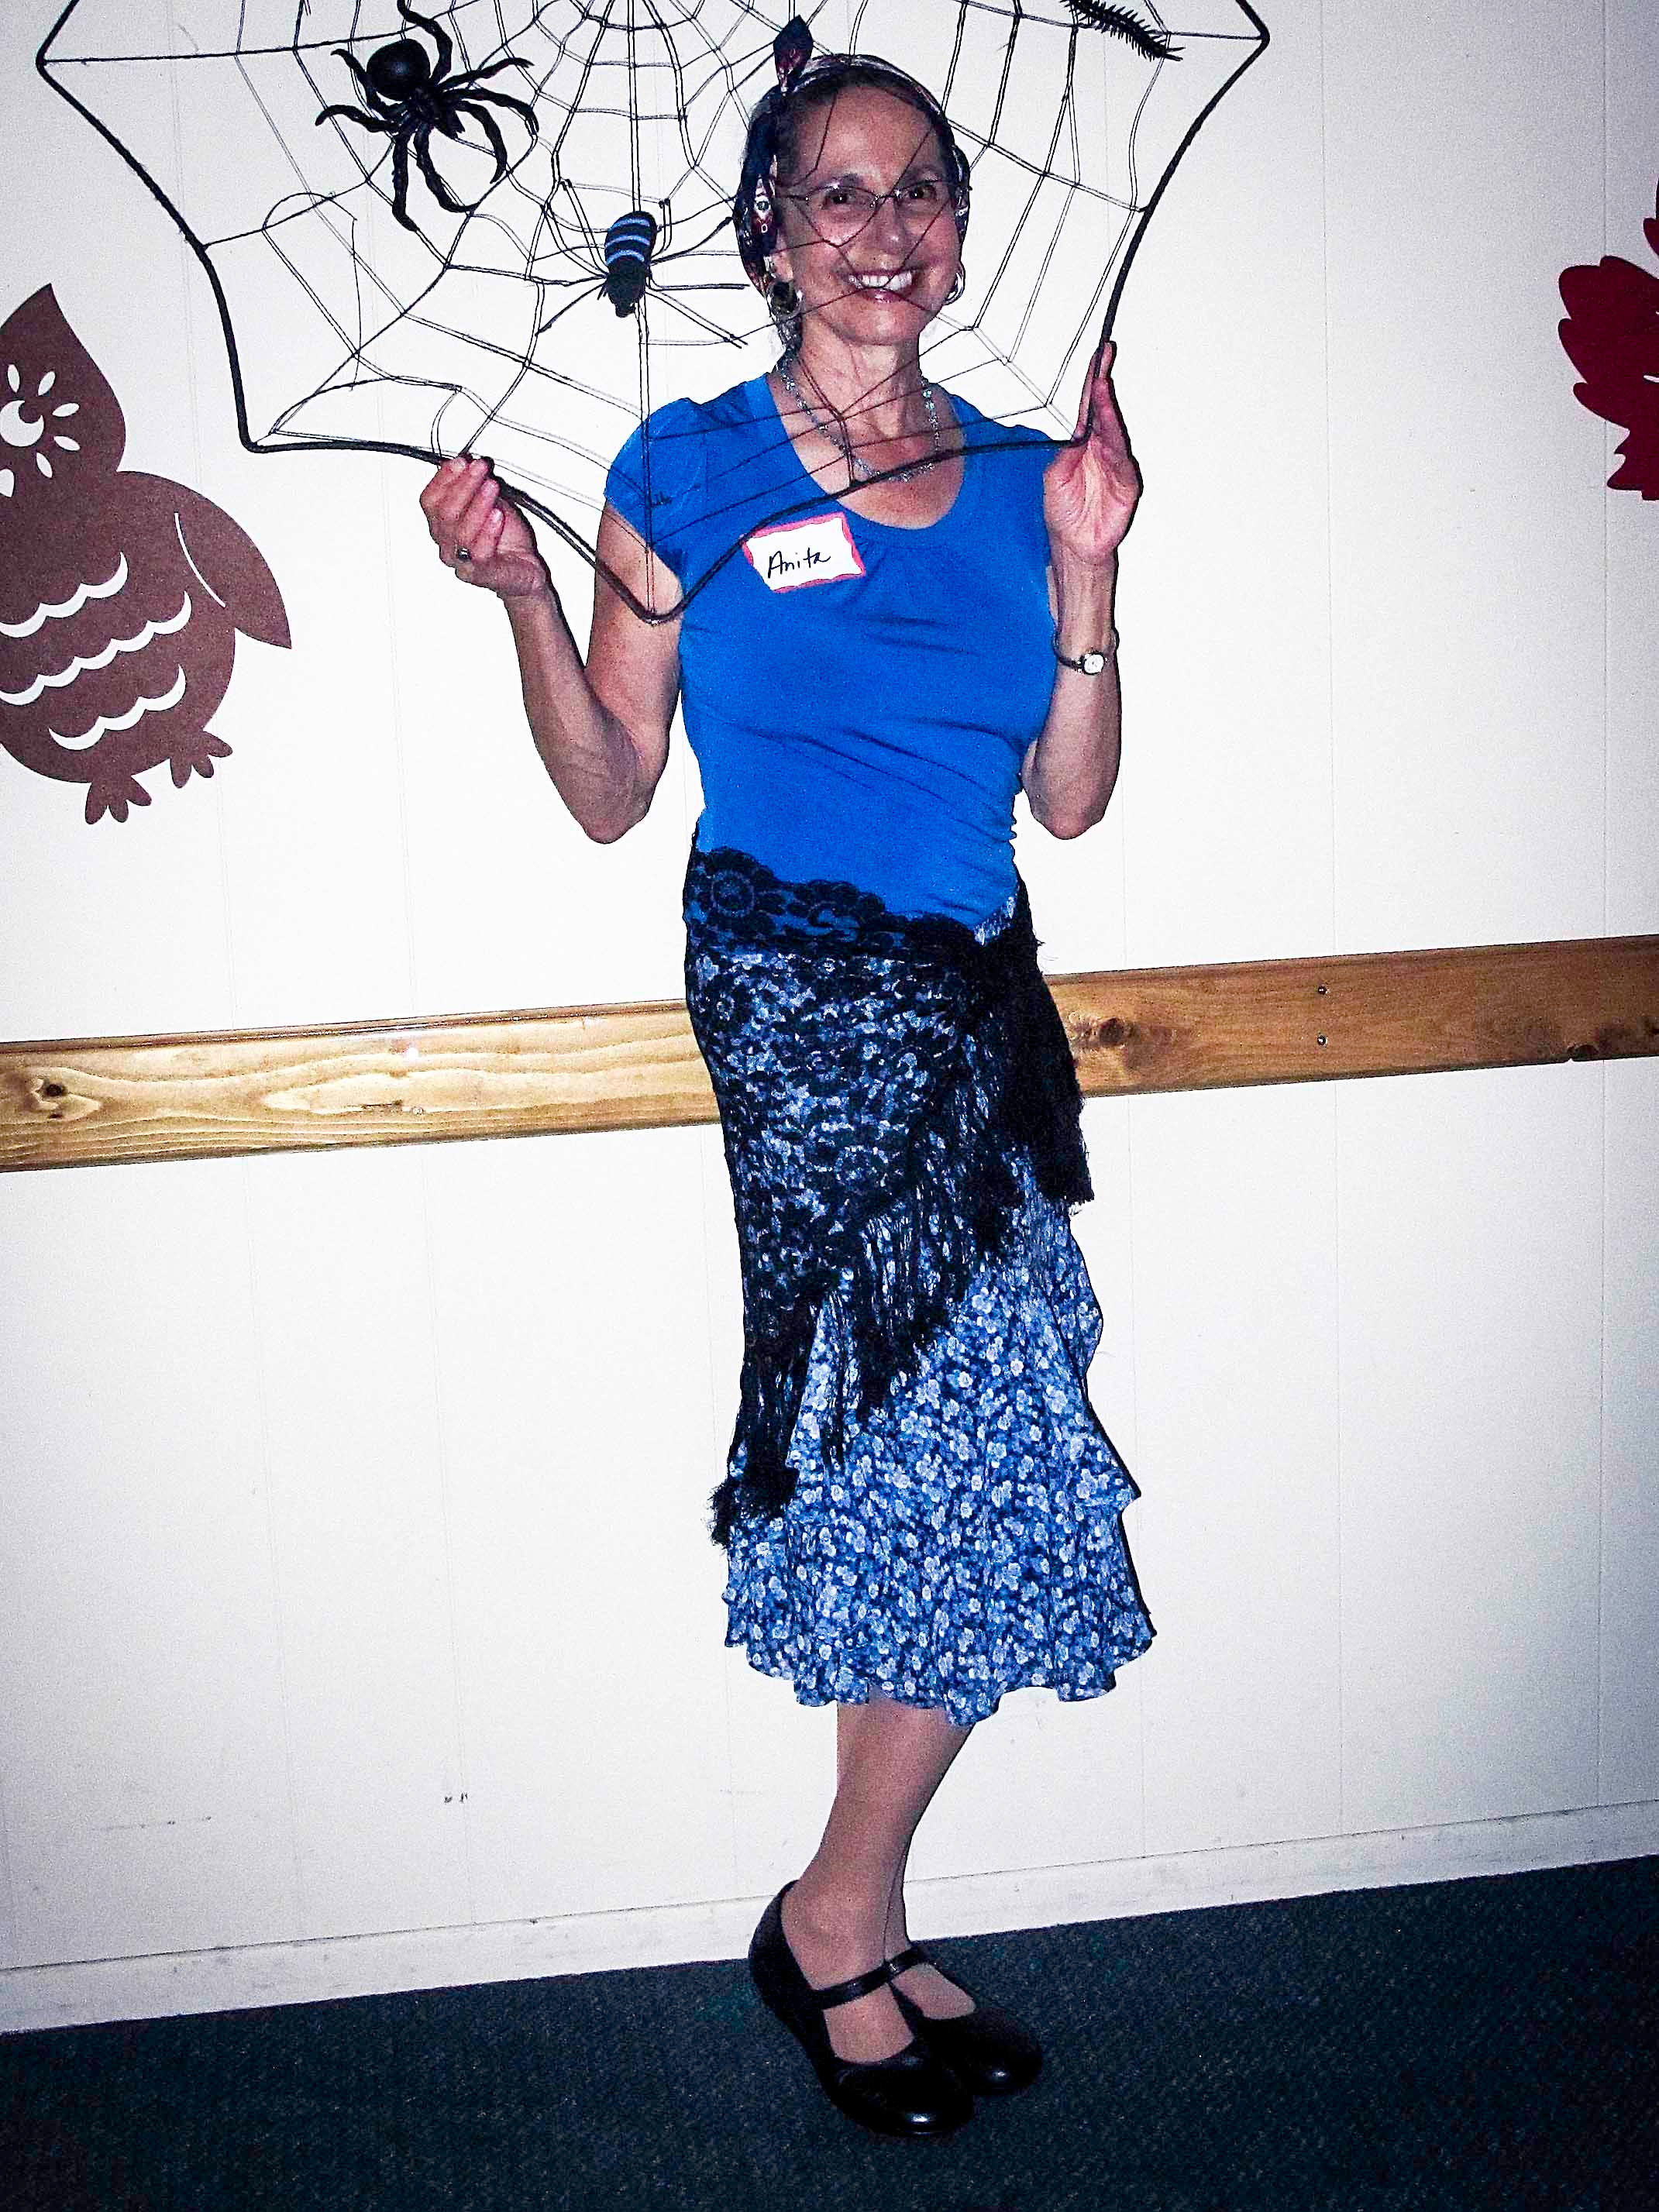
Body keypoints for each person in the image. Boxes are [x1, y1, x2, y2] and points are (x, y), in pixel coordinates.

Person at [419, 23, 1153, 2144]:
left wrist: (1091, 565)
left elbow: (1072, 799)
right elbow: (607, 785)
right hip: (800, 1006)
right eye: (840, 190)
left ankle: (853, 1913)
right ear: (770, 233)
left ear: (958, 230)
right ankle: (838, 1915)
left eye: (919, 190)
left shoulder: (1028, 475)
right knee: (953, 1439)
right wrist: (525, 594)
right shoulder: (683, 467)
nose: (884, 228)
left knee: (951, 1450)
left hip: (978, 1007)